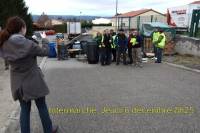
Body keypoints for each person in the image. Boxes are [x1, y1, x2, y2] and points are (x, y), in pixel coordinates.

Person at [0, 16, 58, 133]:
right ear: (22, 28)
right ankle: (48, 130)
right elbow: (46, 52)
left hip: (18, 84)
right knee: (41, 106)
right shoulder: (29, 44)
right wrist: (45, 39)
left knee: (25, 110)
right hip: (34, 81)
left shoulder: (4, 44)